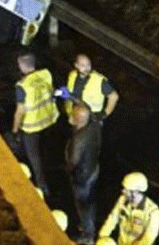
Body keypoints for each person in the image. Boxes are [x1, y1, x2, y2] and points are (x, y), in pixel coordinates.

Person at [11, 52, 59, 197]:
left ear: (21, 66)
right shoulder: (45, 74)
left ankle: (43, 188)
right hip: (49, 120)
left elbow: (20, 111)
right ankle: (54, 177)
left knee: (35, 158)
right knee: (47, 152)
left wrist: (15, 130)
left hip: (31, 127)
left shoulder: (22, 86)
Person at [66, 104, 103, 244]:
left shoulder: (78, 139)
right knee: (91, 201)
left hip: (82, 176)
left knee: (83, 205)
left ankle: (88, 234)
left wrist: (67, 170)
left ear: (78, 119)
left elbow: (73, 161)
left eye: (73, 115)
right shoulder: (94, 126)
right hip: (93, 169)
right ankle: (89, 224)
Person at [98, 171, 159, 245]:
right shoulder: (123, 200)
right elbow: (112, 219)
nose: (123, 191)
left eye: (126, 189)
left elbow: (149, 237)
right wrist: (102, 237)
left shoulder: (152, 211)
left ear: (135, 192)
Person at [60, 53, 119, 125]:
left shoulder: (98, 80)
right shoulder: (72, 75)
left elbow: (114, 96)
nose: (87, 68)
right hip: (73, 117)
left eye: (88, 65)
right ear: (76, 65)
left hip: (91, 120)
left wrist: (104, 114)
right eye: (83, 66)